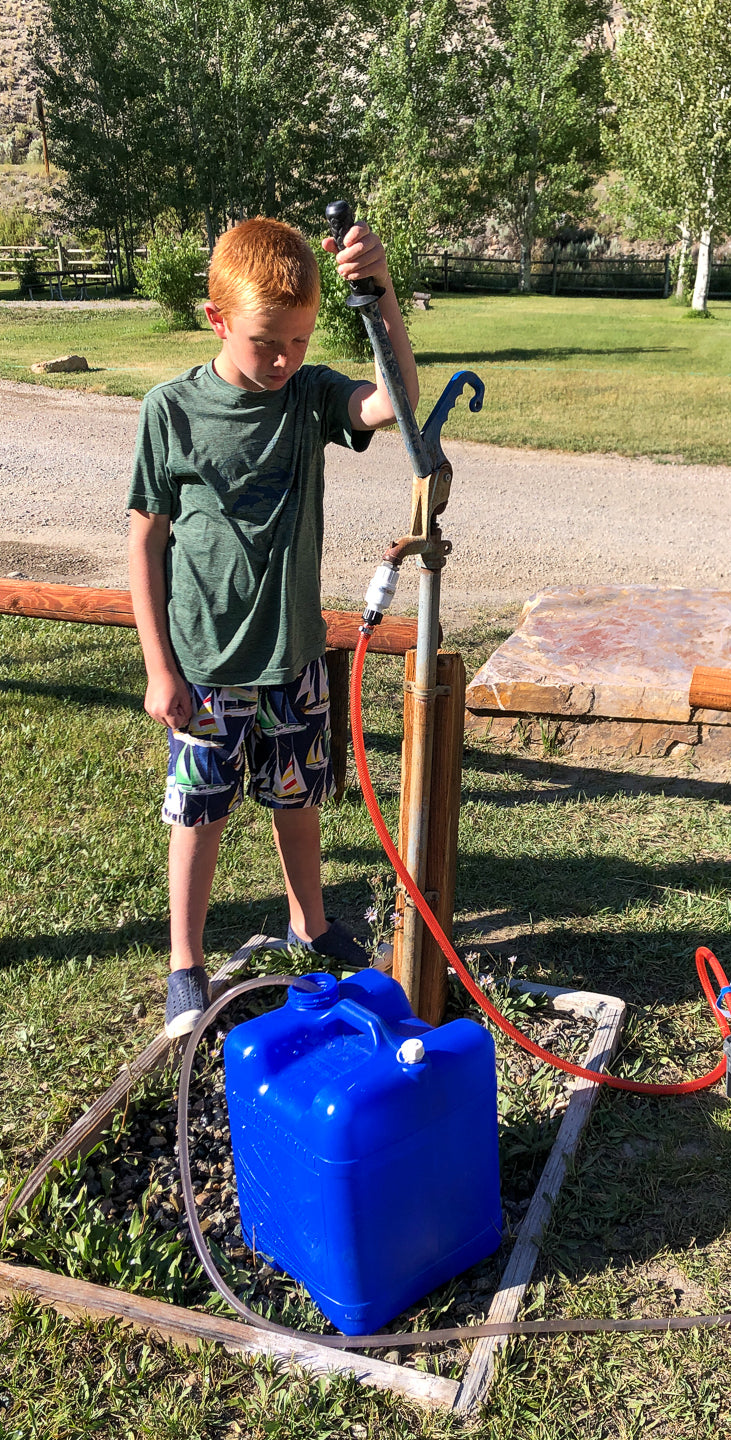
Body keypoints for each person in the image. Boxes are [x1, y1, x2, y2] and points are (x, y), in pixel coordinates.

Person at [128, 215, 418, 1038]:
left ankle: (309, 922)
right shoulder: (171, 411)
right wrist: (159, 668)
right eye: (267, 342)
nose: (285, 358)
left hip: (294, 658)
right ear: (217, 319)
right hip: (206, 666)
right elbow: (144, 540)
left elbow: (394, 403)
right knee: (199, 813)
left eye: (299, 338)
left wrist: (381, 291)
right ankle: (185, 964)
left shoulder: (309, 397)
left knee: (298, 799)